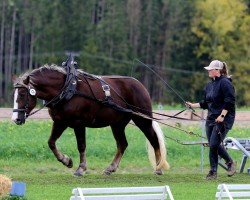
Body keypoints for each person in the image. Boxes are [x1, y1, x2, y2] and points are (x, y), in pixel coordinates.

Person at [186, 60, 236, 180]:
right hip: (211, 118)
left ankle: (229, 162)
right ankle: (213, 172)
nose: (208, 71)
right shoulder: (209, 86)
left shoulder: (225, 83)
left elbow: (230, 101)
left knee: (214, 143)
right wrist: (193, 105)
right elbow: (206, 103)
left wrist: (222, 116)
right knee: (213, 145)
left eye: (210, 69)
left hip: (224, 119)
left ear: (217, 70)